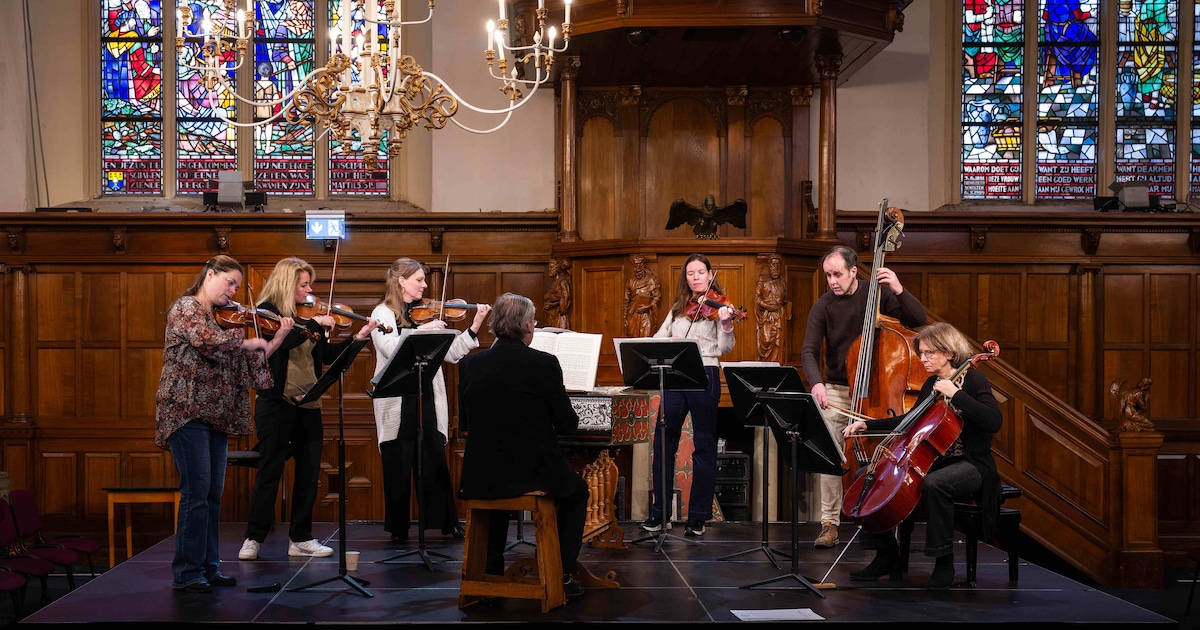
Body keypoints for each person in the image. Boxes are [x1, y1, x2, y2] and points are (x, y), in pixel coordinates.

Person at [155, 255, 283, 593]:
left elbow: (253, 370)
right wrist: (245, 340)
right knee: (196, 494)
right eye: (230, 283)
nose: (234, 291)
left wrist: (273, 339)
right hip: (187, 411)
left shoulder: (227, 321)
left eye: (238, 286)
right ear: (210, 275)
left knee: (212, 496)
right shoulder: (187, 308)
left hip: (217, 416)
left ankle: (209, 568)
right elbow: (205, 341)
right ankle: (187, 572)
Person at [238, 257, 380, 561]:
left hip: (309, 403)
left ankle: (300, 538)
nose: (310, 290)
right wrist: (313, 325)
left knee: (308, 473)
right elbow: (282, 343)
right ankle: (254, 537)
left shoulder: (310, 316)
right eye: (304, 285)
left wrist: (357, 339)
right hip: (276, 404)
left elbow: (327, 356)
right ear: (288, 284)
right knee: (270, 471)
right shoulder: (267, 314)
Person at [842, 322, 1003, 589]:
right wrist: (867, 425)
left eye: (929, 353)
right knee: (865, 476)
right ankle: (886, 556)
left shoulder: (974, 380)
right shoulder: (931, 383)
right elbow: (910, 420)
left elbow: (993, 421)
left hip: (971, 464)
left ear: (949, 352)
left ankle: (944, 564)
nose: (923, 359)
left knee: (936, 484)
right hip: (933, 461)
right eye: (922, 353)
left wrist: (957, 395)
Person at [457, 292, 590, 599]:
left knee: (499, 487)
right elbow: (568, 424)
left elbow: (465, 425)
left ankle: (489, 575)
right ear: (528, 326)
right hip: (533, 472)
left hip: (481, 473)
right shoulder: (544, 363)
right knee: (576, 492)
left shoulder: (470, 365)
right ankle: (562, 572)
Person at [801, 244, 927, 548]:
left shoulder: (877, 294)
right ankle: (829, 523)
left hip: (877, 389)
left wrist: (897, 288)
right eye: (828, 275)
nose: (833, 280)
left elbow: (917, 319)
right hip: (838, 389)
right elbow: (808, 351)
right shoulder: (823, 305)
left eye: (838, 274)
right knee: (831, 454)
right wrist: (816, 383)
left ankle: (880, 520)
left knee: (883, 452)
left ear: (854, 271)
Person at [369, 258, 491, 542]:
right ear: (401, 281)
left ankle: (445, 523)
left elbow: (450, 353)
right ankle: (398, 529)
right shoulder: (382, 314)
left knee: (434, 461)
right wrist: (421, 331)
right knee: (397, 465)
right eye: (419, 280)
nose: (425, 285)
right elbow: (389, 349)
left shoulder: (427, 315)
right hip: (398, 398)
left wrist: (473, 327)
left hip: (427, 396)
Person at [640, 253, 736, 537]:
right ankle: (660, 514)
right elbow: (659, 337)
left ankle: (698, 516)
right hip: (675, 374)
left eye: (700, 272)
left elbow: (725, 348)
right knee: (663, 441)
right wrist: (665, 344)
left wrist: (727, 324)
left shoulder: (721, 306)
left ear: (709, 275)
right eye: (690, 273)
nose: (695, 277)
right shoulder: (679, 307)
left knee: (704, 445)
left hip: (705, 372)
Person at [754, 254, 789, 363]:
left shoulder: (782, 281)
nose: (776, 268)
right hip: (767, 316)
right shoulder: (762, 280)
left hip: (779, 315)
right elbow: (757, 297)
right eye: (773, 265)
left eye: (778, 265)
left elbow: (785, 297)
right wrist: (766, 305)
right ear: (769, 266)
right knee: (766, 339)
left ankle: (777, 365)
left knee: (779, 343)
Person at [623, 254, 661, 338]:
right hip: (633, 314)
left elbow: (657, 297)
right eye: (635, 266)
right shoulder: (630, 281)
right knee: (633, 340)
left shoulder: (651, 279)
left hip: (646, 315)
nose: (638, 269)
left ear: (643, 265)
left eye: (640, 266)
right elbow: (626, 300)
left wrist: (648, 306)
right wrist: (625, 317)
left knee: (646, 338)